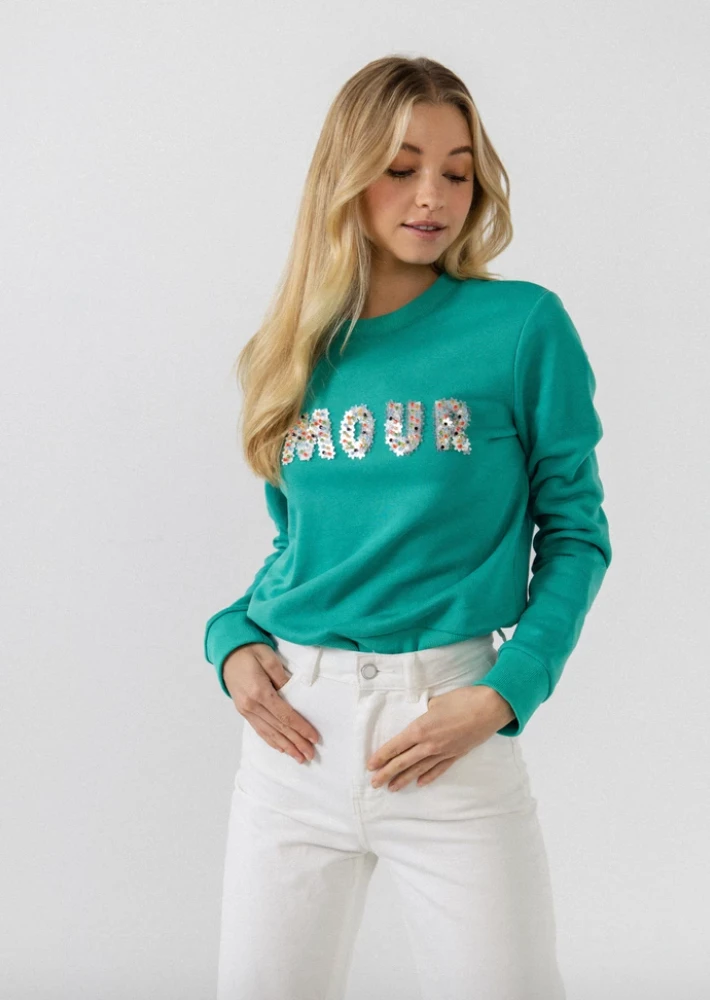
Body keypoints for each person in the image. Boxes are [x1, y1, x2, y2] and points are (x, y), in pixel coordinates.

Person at [203, 54, 611, 1000]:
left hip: (450, 729)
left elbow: (577, 532)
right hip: (292, 742)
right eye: (401, 167)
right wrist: (230, 637)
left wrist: (507, 690)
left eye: (457, 172)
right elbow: (301, 551)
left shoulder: (522, 327)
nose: (433, 196)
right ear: (346, 176)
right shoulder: (290, 351)